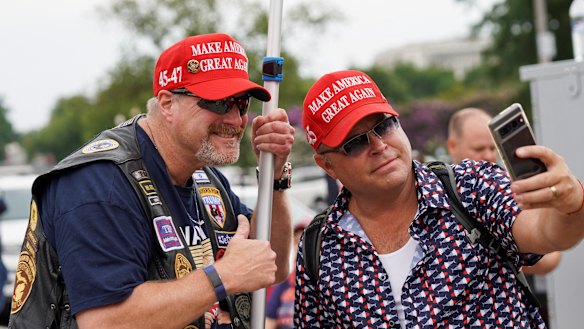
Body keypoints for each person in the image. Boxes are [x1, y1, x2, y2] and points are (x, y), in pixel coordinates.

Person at [9, 33, 295, 329]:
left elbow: (268, 266)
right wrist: (224, 276)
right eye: (221, 103)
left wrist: (274, 178)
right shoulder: (99, 182)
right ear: (168, 103)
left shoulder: (203, 176)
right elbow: (105, 322)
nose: (236, 120)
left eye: (242, 104)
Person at [295, 70, 584, 328]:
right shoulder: (319, 245)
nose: (379, 146)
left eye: (383, 126)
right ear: (327, 165)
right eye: (355, 143)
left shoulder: (469, 186)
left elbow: (545, 233)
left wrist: (571, 203)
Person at [447, 106, 561, 324]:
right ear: (453, 145)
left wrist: (502, 249)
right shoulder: (434, 197)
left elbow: (551, 256)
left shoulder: (506, 189)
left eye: (493, 147)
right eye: (479, 148)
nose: (488, 155)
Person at [265, 220, 308, 329]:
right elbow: (270, 319)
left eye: (305, 237)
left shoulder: (318, 284)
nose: (299, 238)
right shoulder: (284, 277)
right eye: (297, 236)